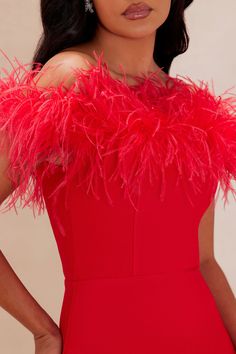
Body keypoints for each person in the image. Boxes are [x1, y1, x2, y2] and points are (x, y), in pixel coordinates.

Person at [0, 0, 236, 353]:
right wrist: (42, 331)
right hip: (105, 335)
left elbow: (203, 261)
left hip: (205, 335)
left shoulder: (187, 103)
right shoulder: (67, 78)